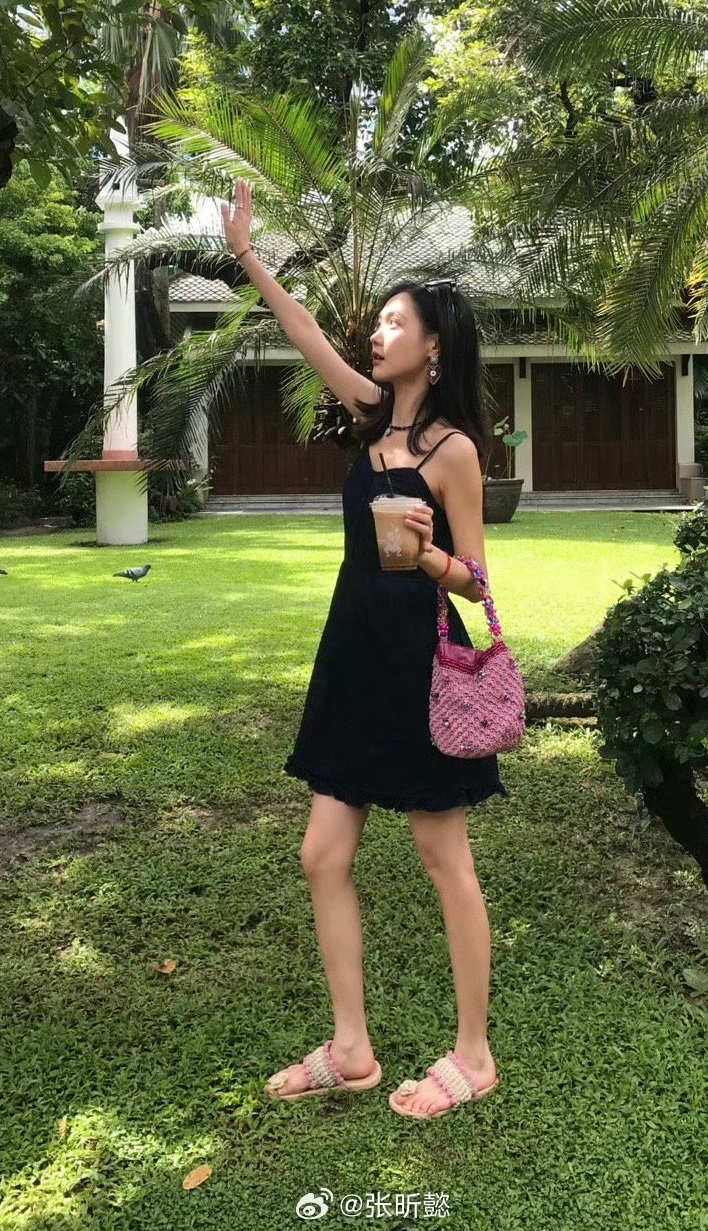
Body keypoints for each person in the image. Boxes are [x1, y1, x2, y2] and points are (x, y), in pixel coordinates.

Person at [221, 179, 507, 1120]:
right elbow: (304, 331)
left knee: (442, 854)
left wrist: (425, 556)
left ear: (434, 345)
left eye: (394, 323)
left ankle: (474, 1053)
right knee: (321, 853)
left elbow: (478, 581)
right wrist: (248, 254)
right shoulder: (370, 416)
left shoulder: (453, 450)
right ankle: (351, 1047)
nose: (377, 335)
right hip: (351, 656)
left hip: (421, 662)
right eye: (378, 323)